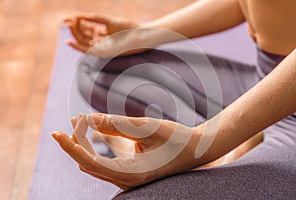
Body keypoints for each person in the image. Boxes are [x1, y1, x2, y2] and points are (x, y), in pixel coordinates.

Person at [52, 0, 296, 191]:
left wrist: (206, 141)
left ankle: (208, 151)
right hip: (267, 77)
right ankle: (215, 146)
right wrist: (142, 34)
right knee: (99, 68)